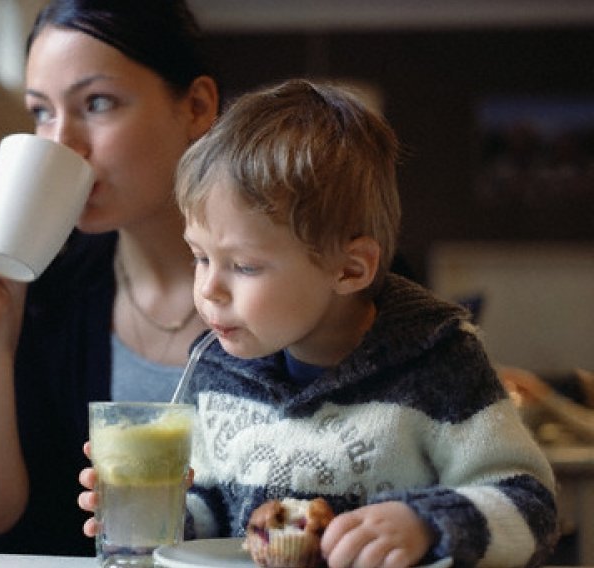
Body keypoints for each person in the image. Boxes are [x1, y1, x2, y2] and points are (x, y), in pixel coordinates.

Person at [78, 79, 559, 566]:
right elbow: (214, 510)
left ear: (349, 269)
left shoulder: (439, 361)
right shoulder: (217, 366)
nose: (208, 289)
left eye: (243, 265)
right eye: (200, 257)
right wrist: (161, 515)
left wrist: (426, 525)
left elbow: (532, 508)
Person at [0, 0, 218, 556]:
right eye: (40, 111)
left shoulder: (310, 279)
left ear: (196, 107)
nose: (61, 143)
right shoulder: (51, 287)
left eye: (97, 103)